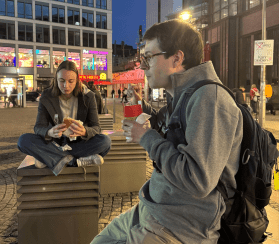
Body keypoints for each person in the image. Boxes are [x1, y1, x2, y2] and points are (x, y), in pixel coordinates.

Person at [92, 19, 243, 244]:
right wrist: (143, 108)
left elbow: (198, 180)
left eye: (148, 58)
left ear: (177, 58)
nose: (143, 66)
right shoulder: (183, 95)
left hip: (178, 227)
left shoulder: (210, 99)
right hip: (152, 210)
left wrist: (146, 138)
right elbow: (173, 131)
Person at [17, 61, 111, 176]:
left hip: (78, 144)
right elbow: (38, 127)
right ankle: (74, 161)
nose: (66, 86)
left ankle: (51, 159)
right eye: (62, 81)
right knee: (23, 141)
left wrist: (85, 131)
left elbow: (96, 127)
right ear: (56, 79)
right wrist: (49, 132)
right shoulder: (47, 96)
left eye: (71, 81)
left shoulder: (88, 96)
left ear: (77, 80)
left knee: (105, 141)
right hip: (55, 143)